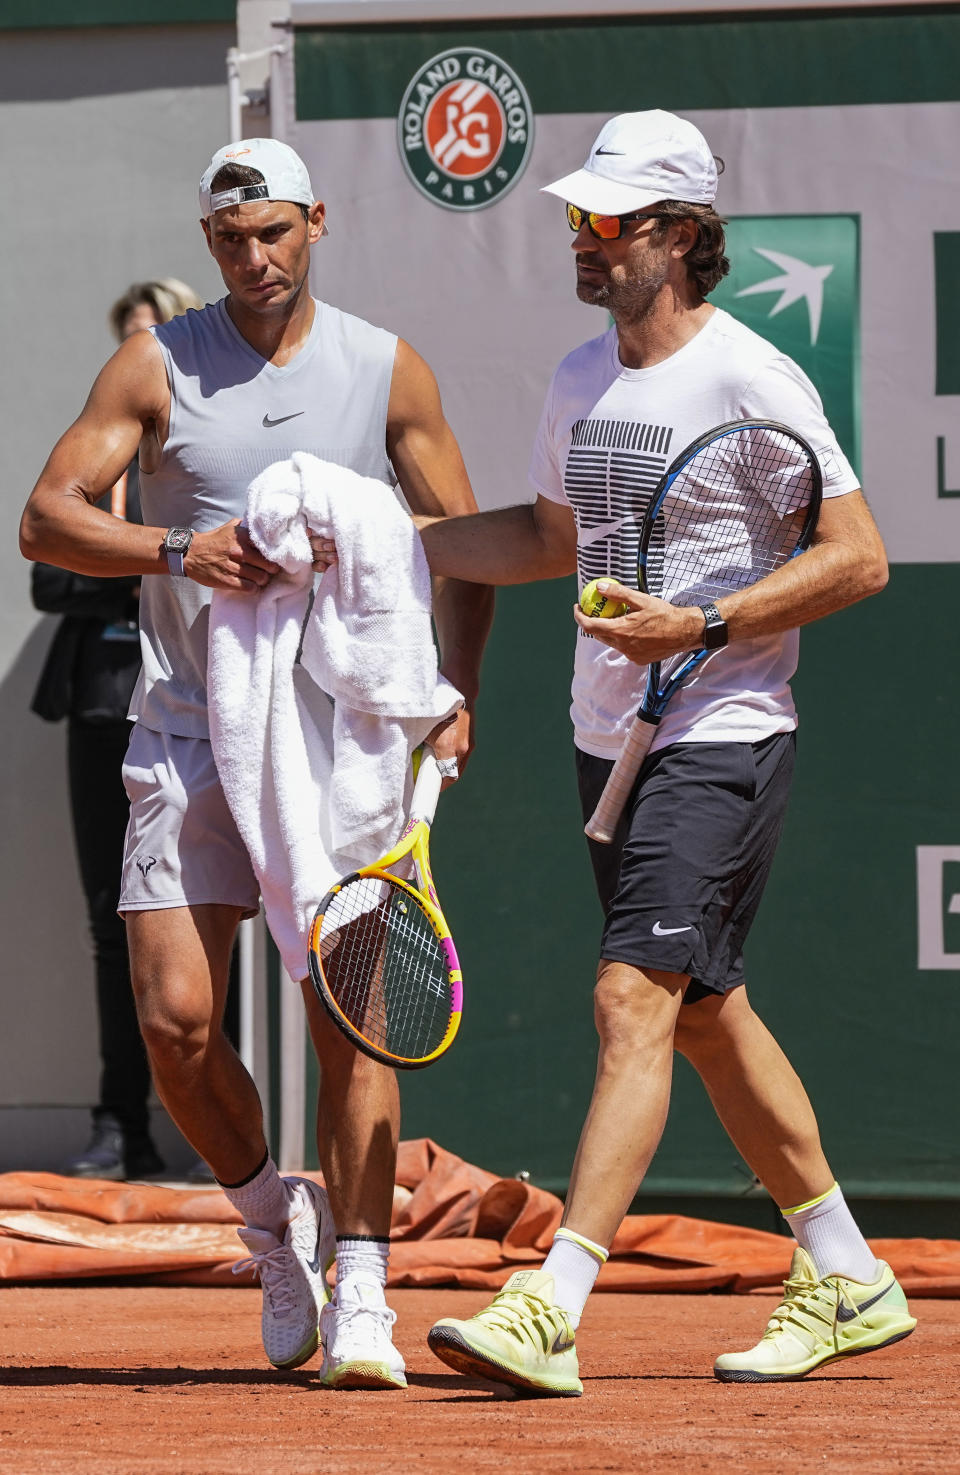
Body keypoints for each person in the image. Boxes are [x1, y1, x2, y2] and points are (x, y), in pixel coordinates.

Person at [413, 111, 916, 1396]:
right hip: (608, 737)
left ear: (683, 236)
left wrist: (702, 621)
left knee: (632, 996)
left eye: (612, 222)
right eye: (579, 218)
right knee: (703, 1012)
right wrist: (388, 540)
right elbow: (543, 537)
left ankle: (556, 1297)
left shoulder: (754, 377)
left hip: (722, 726)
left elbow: (858, 556)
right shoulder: (583, 377)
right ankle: (848, 1266)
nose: (584, 239)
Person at [20, 138, 492, 1389]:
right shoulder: (156, 363)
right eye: (231, 239)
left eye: (274, 232)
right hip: (189, 728)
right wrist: (178, 550)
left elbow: (463, 543)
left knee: (357, 1024)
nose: (255, 257)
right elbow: (47, 510)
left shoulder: (387, 367)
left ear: (316, 223)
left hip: (339, 743)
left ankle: (369, 1291)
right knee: (177, 1023)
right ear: (209, 243)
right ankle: (271, 1232)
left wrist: (457, 691)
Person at [31, 277, 204, 1181]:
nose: (136, 354)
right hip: (102, 705)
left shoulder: (211, 452)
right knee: (115, 920)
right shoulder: (93, 454)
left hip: (198, 708)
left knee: (212, 919)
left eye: (152, 335)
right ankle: (120, 1125)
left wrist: (127, 551)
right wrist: (145, 557)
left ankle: (229, 1132)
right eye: (124, 338)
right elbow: (47, 574)